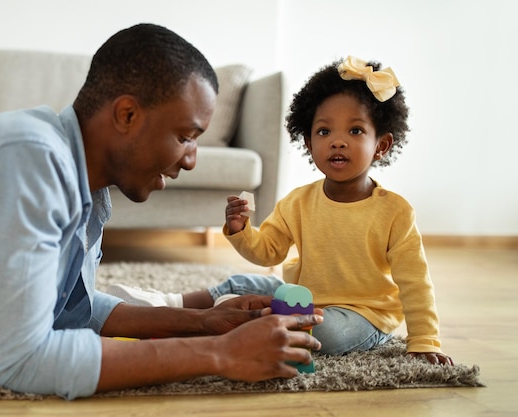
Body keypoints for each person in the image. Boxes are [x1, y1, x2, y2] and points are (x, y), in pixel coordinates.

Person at [0, 23, 324, 400]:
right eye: (186, 136)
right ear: (127, 114)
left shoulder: (87, 189)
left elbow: (68, 310)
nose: (191, 159)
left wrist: (204, 323)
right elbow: (25, 360)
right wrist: (219, 354)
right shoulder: (27, 158)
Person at [107, 56, 454, 366]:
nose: (337, 140)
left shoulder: (395, 212)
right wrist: (242, 230)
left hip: (362, 316)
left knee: (324, 333)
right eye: (324, 130)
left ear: (381, 146)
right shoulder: (298, 201)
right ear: (308, 143)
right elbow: (267, 251)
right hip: (303, 295)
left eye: (355, 130)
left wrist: (424, 340)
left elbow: (415, 283)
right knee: (243, 281)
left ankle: (239, 326)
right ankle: (168, 301)